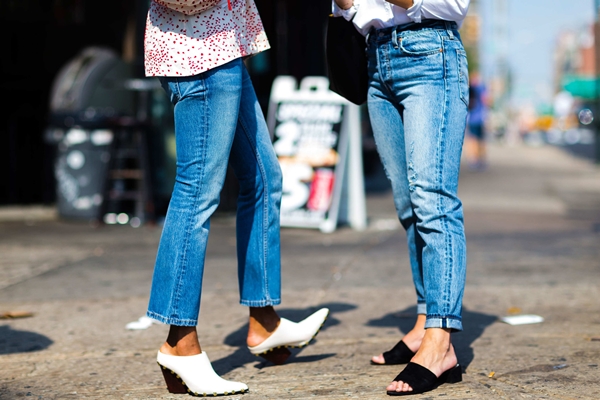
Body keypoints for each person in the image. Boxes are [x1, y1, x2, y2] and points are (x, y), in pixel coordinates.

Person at [144, 0, 329, 396]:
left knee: (265, 178)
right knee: (196, 194)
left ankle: (265, 321)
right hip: (197, 54)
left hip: (225, 49)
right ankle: (180, 343)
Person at [331, 0, 470, 396]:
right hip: (377, 60)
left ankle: (440, 341)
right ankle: (425, 318)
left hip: (430, 54)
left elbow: (451, 4)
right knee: (409, 207)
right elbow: (352, 13)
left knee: (434, 202)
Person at [466, 71, 488, 170]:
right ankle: (481, 160)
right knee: (481, 140)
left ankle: (474, 160)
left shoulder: (471, 88)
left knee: (472, 139)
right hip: (481, 118)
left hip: (472, 118)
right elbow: (486, 100)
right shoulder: (482, 88)